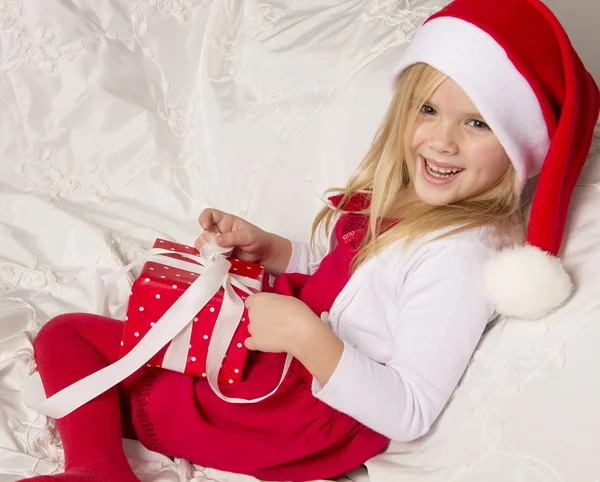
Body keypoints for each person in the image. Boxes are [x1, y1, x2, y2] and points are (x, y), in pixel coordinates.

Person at [20, 0, 599, 481]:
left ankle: (99, 470)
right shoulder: (414, 206)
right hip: (279, 361)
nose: (442, 140)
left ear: (520, 145)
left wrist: (303, 333)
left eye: (478, 123)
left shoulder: (459, 254)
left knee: (72, 342)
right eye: (429, 109)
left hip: (294, 410)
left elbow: (410, 409)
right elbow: (352, 272)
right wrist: (275, 250)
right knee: (93, 352)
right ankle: (100, 457)